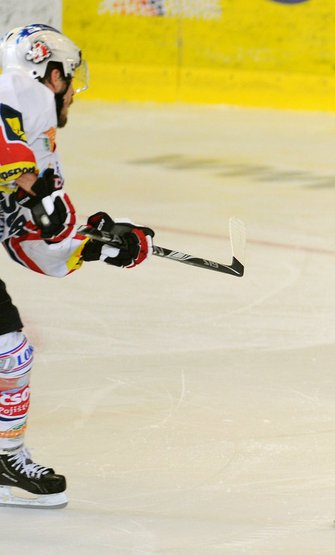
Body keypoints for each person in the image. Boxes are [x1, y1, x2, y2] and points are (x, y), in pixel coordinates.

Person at [0, 23, 155, 508]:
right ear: (48, 71)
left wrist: (100, 245)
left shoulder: (31, 131)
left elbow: (33, 242)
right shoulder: (22, 91)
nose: (70, 90)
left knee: (11, 354)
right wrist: (36, 185)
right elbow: (7, 124)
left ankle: (5, 459)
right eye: (66, 76)